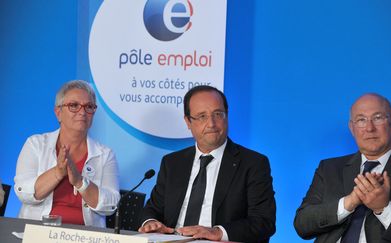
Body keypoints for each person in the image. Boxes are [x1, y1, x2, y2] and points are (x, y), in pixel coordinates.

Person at [138, 85, 276, 242]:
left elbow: (264, 222)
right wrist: (151, 223)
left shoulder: (253, 163)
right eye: (202, 116)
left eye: (218, 114)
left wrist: (218, 232)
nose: (211, 123)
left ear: (227, 116)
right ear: (188, 122)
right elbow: (152, 209)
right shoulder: (173, 163)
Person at [294, 93, 391, 242]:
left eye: (378, 118)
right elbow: (302, 225)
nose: (369, 128)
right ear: (352, 128)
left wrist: (384, 208)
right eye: (361, 120)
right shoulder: (329, 168)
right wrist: (349, 202)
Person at [14, 80, 120, 227]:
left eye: (89, 106)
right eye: (74, 105)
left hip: (86, 237)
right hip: (38, 232)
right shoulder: (35, 144)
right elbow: (23, 192)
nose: (82, 112)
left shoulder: (105, 155)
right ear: (58, 113)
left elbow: (111, 205)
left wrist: (79, 181)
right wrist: (58, 172)